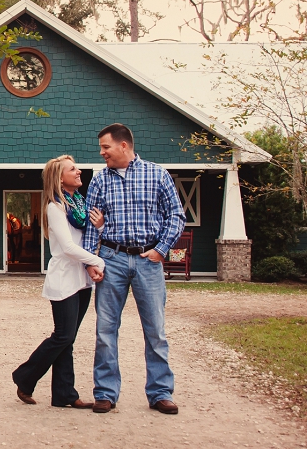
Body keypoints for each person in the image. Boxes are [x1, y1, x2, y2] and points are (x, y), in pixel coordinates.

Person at [82, 123, 185, 415]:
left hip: (147, 261)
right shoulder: (101, 180)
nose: (102, 152)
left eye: (105, 147)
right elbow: (92, 224)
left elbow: (176, 216)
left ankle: (160, 392)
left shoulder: (157, 174)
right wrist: (92, 261)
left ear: (123, 146)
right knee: (105, 329)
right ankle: (105, 393)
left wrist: (161, 249)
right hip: (112, 259)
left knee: (155, 331)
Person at [12, 155, 105, 408]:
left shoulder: (80, 205)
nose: (78, 171)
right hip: (65, 277)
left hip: (82, 278)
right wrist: (99, 262)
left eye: (76, 167)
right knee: (63, 336)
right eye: (72, 169)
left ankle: (65, 395)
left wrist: (99, 227)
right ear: (59, 178)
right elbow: (67, 247)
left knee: (69, 338)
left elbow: (84, 239)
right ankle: (24, 376)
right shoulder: (55, 207)